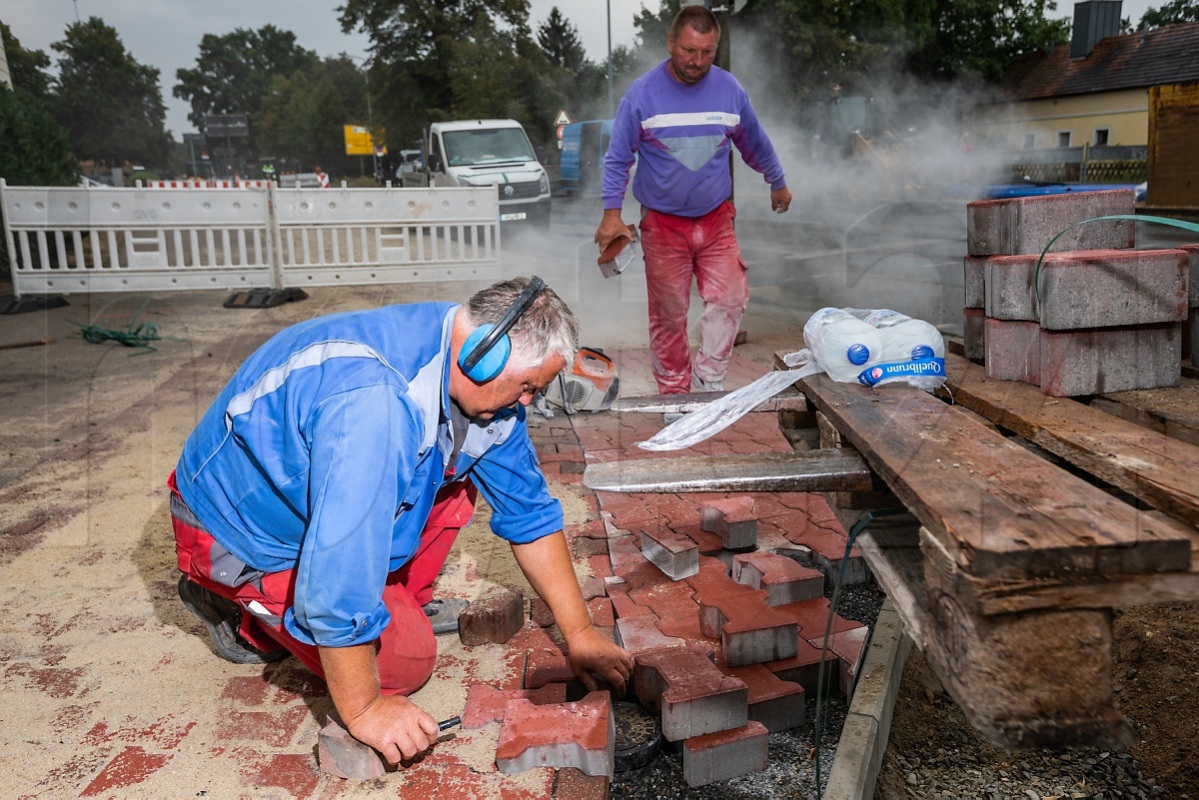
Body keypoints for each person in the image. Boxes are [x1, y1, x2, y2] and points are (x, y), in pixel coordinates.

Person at [169, 276, 634, 764]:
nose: (527, 403)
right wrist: (366, 707)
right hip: (237, 534)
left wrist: (580, 634)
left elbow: (531, 515)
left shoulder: (460, 359)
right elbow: (340, 567)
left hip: (316, 499)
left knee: (459, 478)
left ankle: (400, 599)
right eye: (527, 387)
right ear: (484, 355)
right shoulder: (375, 404)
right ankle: (237, 612)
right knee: (404, 662)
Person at [595, 5, 792, 398]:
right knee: (669, 315)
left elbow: (754, 140)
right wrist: (611, 215)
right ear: (670, 43)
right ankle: (673, 392)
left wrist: (778, 181)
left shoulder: (729, 90)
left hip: (716, 219)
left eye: (706, 53)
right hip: (663, 225)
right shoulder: (641, 96)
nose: (696, 62)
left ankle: (709, 376)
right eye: (688, 50)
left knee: (731, 299)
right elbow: (618, 158)